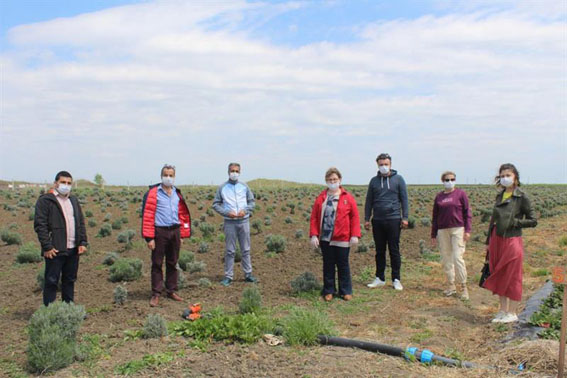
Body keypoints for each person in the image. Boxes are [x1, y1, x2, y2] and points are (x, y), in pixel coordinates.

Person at [482, 164, 537, 323]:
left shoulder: (522, 197)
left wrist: (515, 222)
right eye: (502, 175)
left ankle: (512, 313)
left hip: (512, 239)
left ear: (515, 178)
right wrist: (488, 241)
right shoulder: (499, 196)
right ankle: (503, 310)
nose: (505, 178)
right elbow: (493, 220)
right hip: (497, 239)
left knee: (512, 275)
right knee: (498, 273)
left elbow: (533, 220)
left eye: (508, 175)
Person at [34, 171, 88, 306]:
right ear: (56, 183)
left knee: (69, 280)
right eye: (63, 182)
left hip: (73, 248)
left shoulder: (73, 200)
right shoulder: (46, 200)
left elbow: (80, 222)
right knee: (51, 281)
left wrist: (82, 242)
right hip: (55, 249)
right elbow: (40, 225)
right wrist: (47, 246)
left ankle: (68, 308)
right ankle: (49, 310)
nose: (66, 185)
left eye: (69, 183)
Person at [142, 164, 191, 307]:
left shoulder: (177, 193)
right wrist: (149, 237)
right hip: (160, 232)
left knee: (172, 262)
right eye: (166, 175)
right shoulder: (153, 193)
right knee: (157, 263)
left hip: (175, 230)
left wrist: (182, 234)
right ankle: (156, 293)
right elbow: (148, 215)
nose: (168, 178)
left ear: (174, 177)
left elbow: (181, 215)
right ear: (161, 176)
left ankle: (171, 290)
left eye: (171, 175)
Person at [310, 167, 361, 301]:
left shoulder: (347, 198)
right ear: (326, 181)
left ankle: (345, 291)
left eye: (335, 179)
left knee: (343, 265)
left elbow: (354, 217)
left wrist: (355, 235)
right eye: (330, 179)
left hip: (342, 238)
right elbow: (314, 217)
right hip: (326, 238)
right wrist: (314, 235)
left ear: (340, 180)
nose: (332, 181)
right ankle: (329, 290)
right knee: (328, 264)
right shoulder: (321, 198)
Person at [364, 153, 409, 291]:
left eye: (386, 164)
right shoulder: (374, 181)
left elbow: (404, 199)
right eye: (381, 164)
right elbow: (369, 201)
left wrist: (405, 217)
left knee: (394, 250)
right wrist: (366, 218)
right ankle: (380, 278)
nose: (384, 166)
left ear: (390, 164)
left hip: (394, 219)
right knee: (379, 250)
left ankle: (396, 279)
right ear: (377, 165)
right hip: (377, 220)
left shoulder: (399, 179)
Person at [212, 162, 257, 286]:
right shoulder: (222, 187)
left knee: (246, 249)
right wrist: (226, 213)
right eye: (232, 171)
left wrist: (246, 210)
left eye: (237, 171)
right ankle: (228, 276)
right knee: (230, 250)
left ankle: (248, 274)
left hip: (244, 221)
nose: (234, 173)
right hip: (230, 222)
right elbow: (215, 204)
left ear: (240, 172)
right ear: (228, 172)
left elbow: (252, 202)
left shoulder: (244, 186)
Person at [430, 171, 472, 300]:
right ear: (442, 181)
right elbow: (435, 216)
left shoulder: (460, 194)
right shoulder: (439, 197)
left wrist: (467, 230)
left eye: (452, 179)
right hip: (443, 230)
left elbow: (467, 212)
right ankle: (451, 285)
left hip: (458, 229)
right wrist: (433, 234)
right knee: (446, 258)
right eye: (447, 179)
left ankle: (464, 287)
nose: (449, 181)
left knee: (457, 257)